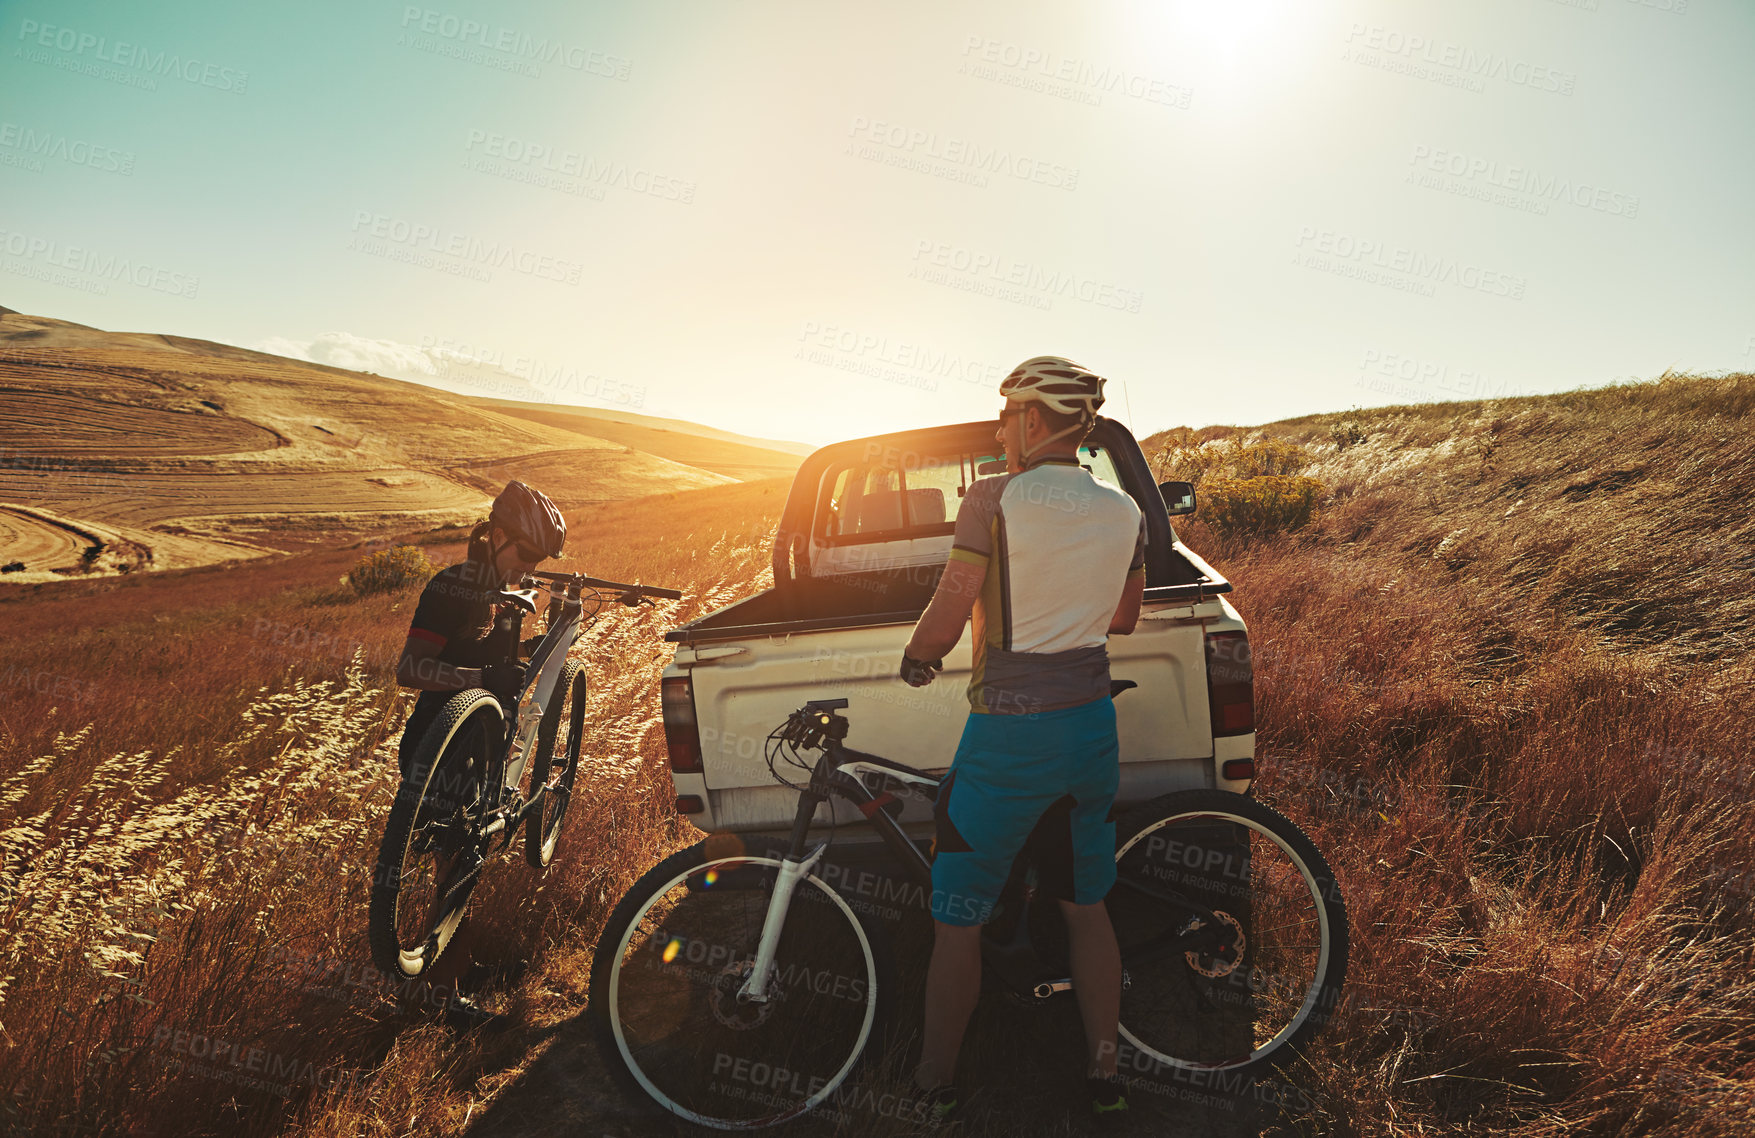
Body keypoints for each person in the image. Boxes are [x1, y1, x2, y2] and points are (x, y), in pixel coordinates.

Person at [898, 357, 1146, 1127]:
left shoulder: (991, 499)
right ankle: (1103, 1073)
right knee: (1084, 908)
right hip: (1089, 730)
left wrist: (918, 656)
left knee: (958, 918)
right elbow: (1124, 619)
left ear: (1033, 420)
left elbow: (951, 603)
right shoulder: (1124, 510)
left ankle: (934, 1079)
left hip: (1008, 738)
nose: (1002, 429)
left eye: (1006, 416)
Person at [391, 479, 567, 1030]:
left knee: (466, 859)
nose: (529, 567)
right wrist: (476, 678)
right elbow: (409, 669)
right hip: (437, 746)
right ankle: (441, 998)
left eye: (538, 559)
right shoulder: (451, 590)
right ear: (493, 535)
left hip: (481, 749)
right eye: (524, 554)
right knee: (458, 863)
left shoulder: (509, 592)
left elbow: (509, 669)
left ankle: (449, 974)